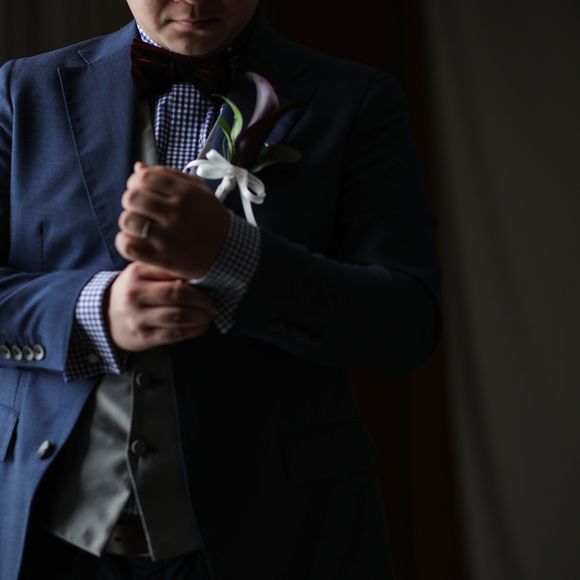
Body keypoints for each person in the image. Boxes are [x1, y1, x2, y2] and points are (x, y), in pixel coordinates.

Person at [0, 1, 440, 578]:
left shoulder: (355, 99)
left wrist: (232, 257)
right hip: (50, 540)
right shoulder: (22, 91)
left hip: (278, 540)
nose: (195, 1)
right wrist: (96, 311)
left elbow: (406, 324)